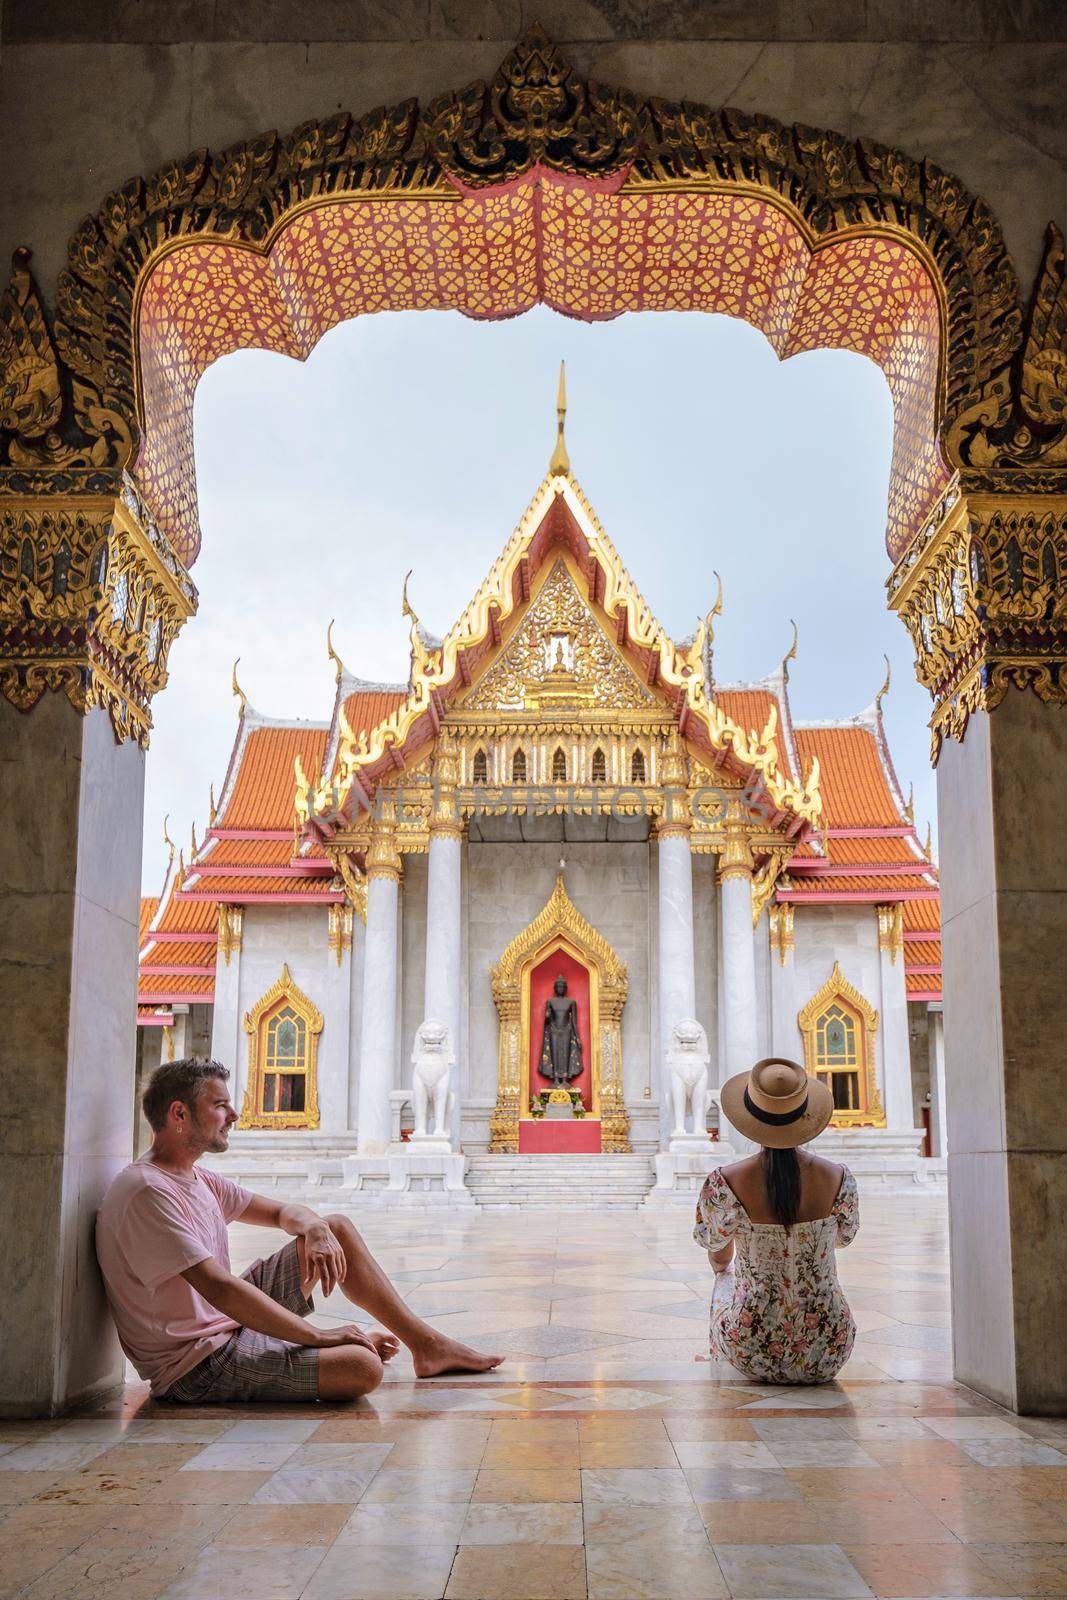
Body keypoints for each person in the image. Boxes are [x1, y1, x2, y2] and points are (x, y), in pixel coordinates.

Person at [96, 1059, 503, 1404]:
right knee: (362, 1369)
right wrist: (318, 1337)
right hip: (195, 1364)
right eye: (220, 1106)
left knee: (335, 1227)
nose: (234, 1115)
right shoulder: (148, 1190)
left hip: (225, 1323)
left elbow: (282, 1213)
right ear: (179, 1115)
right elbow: (219, 1287)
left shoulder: (197, 1178)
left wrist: (314, 1227)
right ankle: (320, 1347)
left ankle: (427, 1346)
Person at [694, 1057, 859, 1385]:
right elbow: (844, 1238)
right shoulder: (838, 1177)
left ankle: (718, 1358)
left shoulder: (725, 1181)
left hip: (752, 1348)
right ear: (806, 1114)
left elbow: (716, 1250)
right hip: (829, 1347)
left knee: (724, 1278)